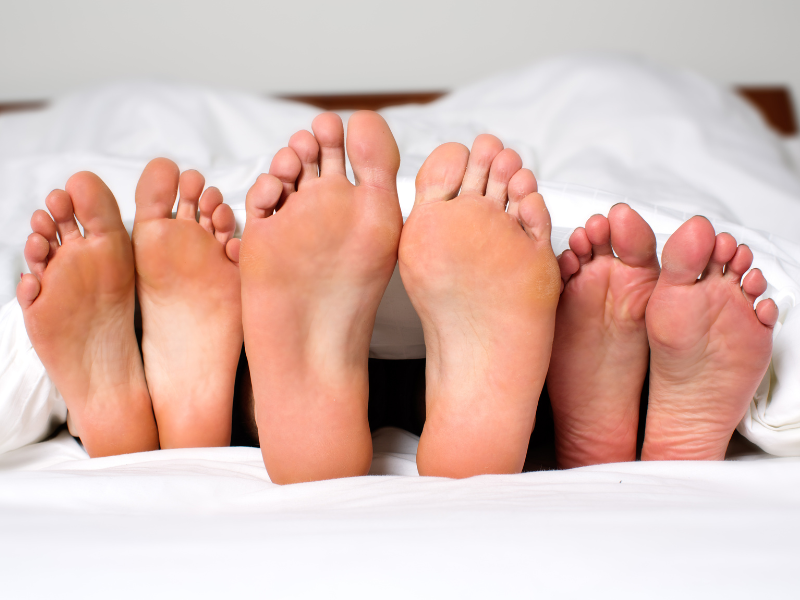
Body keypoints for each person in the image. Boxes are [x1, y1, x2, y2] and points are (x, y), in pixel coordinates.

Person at [15, 111, 779, 483]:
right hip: (529, 380)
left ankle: (159, 419)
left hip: (255, 391)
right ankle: (620, 440)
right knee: (566, 309)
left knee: (255, 371)